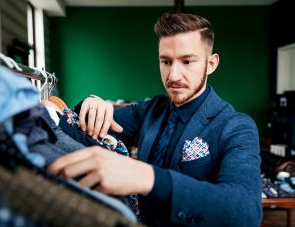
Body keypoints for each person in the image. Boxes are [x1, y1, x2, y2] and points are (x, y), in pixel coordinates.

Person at [48, 12, 262, 226]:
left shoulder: (236, 126)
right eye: (166, 61)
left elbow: (245, 211)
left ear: (211, 63)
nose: (174, 75)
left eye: (187, 61)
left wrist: (145, 177)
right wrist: (92, 102)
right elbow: (78, 124)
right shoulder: (151, 109)